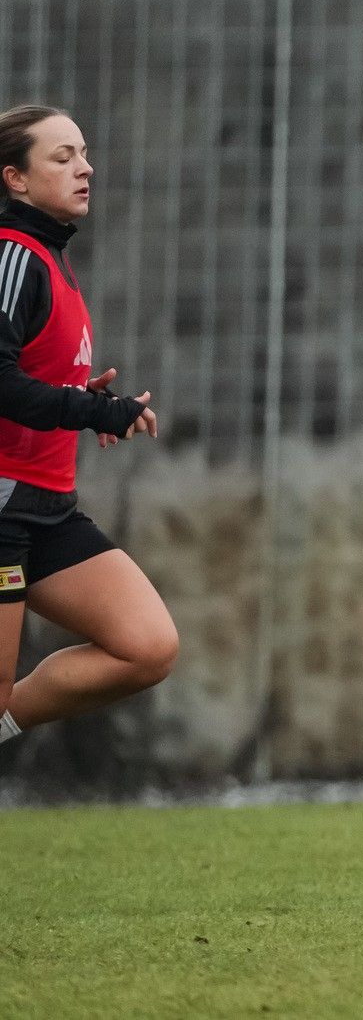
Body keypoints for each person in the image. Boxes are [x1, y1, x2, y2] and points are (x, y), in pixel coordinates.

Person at [0, 105, 175, 756]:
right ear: (15, 178)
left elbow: (28, 377)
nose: (86, 167)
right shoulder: (12, 255)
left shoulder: (48, 255)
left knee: (146, 646)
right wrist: (93, 411)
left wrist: (79, 397)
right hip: (5, 502)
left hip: (48, 507)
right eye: (63, 156)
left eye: (84, 152)